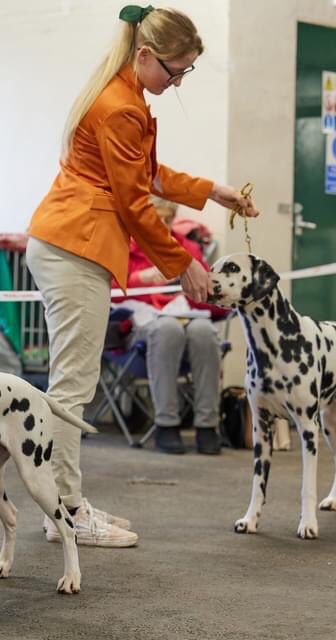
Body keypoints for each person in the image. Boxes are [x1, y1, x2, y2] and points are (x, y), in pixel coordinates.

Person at [26, 5, 258, 547]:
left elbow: (147, 174)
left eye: (186, 71)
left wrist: (211, 190)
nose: (178, 82)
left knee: (72, 384)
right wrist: (183, 265)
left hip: (70, 242)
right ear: (146, 54)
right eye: (176, 70)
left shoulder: (122, 94)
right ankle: (65, 511)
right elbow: (135, 203)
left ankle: (64, 504)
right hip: (75, 245)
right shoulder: (120, 107)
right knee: (72, 387)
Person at [121, 197, 229, 454]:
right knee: (168, 329)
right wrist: (139, 279)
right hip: (142, 325)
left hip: (187, 317)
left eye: (168, 219)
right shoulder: (124, 246)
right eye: (156, 218)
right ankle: (166, 423)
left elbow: (212, 297)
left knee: (204, 331)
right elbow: (105, 290)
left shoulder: (188, 249)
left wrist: (189, 290)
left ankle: (207, 425)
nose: (163, 225)